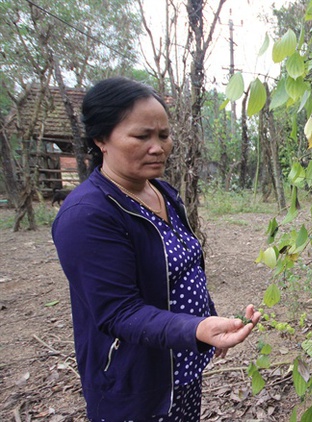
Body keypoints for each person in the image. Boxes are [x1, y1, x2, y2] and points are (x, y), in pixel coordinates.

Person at [52, 77, 260, 421]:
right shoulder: (88, 215)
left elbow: (185, 269)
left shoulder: (163, 192)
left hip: (182, 365)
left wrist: (207, 322)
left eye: (164, 135)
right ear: (101, 139)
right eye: (142, 136)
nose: (159, 147)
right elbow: (118, 312)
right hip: (136, 383)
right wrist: (194, 330)